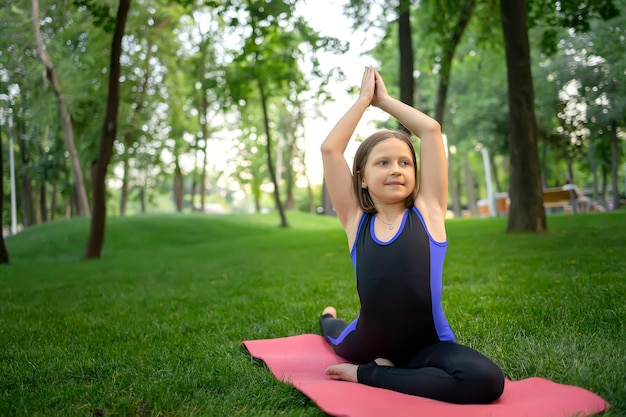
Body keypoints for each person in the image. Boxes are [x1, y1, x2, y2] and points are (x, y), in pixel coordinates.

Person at [319, 67, 505, 404]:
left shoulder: (428, 211)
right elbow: (331, 150)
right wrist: (363, 101)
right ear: (361, 178)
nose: (396, 169)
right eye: (383, 163)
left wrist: (385, 101)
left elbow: (430, 130)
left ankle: (370, 374)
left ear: (416, 174)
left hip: (428, 347)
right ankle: (329, 317)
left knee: (486, 380)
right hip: (368, 341)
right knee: (333, 332)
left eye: (405, 163)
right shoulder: (355, 220)